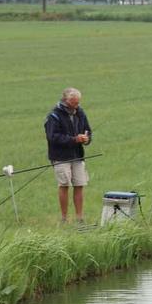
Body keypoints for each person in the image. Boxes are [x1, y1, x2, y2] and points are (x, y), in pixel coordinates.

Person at [45, 87, 92, 223]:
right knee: (64, 185)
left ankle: (79, 217)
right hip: (60, 156)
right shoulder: (54, 116)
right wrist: (74, 139)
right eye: (73, 103)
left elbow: (88, 130)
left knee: (79, 184)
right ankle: (64, 218)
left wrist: (86, 139)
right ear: (65, 101)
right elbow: (53, 137)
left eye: (78, 103)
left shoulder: (80, 113)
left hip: (77, 155)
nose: (76, 106)